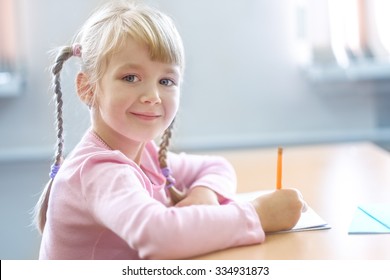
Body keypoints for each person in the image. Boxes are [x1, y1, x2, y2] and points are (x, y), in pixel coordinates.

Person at [34, 0, 306, 260]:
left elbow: (216, 167)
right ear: (87, 88)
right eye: (131, 78)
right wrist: (257, 214)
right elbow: (158, 236)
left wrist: (204, 194)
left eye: (166, 80)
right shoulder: (97, 170)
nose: (153, 95)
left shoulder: (145, 154)